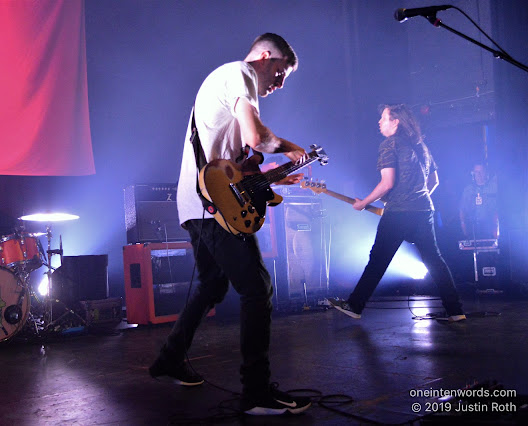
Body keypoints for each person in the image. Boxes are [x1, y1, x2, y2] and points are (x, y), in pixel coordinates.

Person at [149, 33, 312, 416]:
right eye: (281, 71)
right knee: (258, 288)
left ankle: (170, 358)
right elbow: (258, 136)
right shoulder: (240, 73)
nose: (280, 83)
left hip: (198, 204)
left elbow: (233, 166)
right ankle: (256, 391)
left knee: (213, 284)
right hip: (212, 208)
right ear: (266, 56)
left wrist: (272, 175)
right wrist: (291, 147)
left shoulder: (224, 82)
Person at [327, 104, 466, 322]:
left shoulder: (389, 144)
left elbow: (387, 183)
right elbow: (434, 181)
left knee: (378, 260)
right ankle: (455, 310)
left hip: (399, 213)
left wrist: (363, 202)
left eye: (383, 118)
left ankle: (355, 305)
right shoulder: (422, 146)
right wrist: (415, 197)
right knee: (435, 260)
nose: (379, 122)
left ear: (396, 122)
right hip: (424, 211)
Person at [459, 163, 499, 240]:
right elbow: (462, 209)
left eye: (481, 172)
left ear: (486, 172)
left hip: (491, 226)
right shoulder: (468, 190)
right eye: (476, 172)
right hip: (473, 227)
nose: (478, 174)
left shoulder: (494, 187)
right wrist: (463, 225)